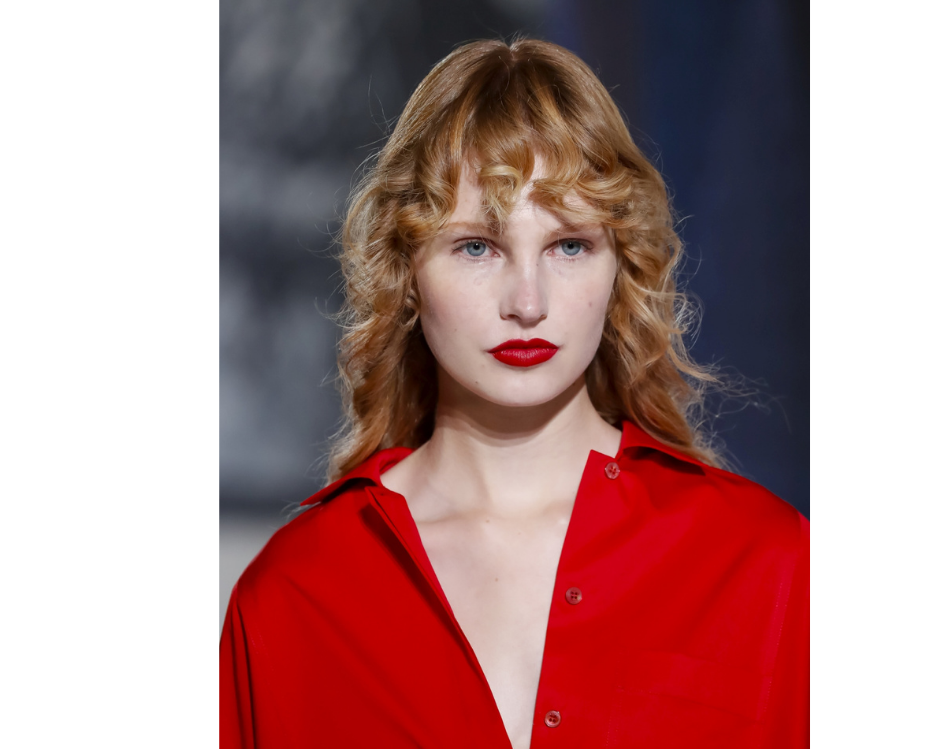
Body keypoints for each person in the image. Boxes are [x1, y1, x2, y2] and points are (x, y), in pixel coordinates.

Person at [220, 37, 808, 749]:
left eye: (569, 245)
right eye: (477, 246)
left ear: (621, 266)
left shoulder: (768, 568)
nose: (528, 303)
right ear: (406, 270)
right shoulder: (293, 596)